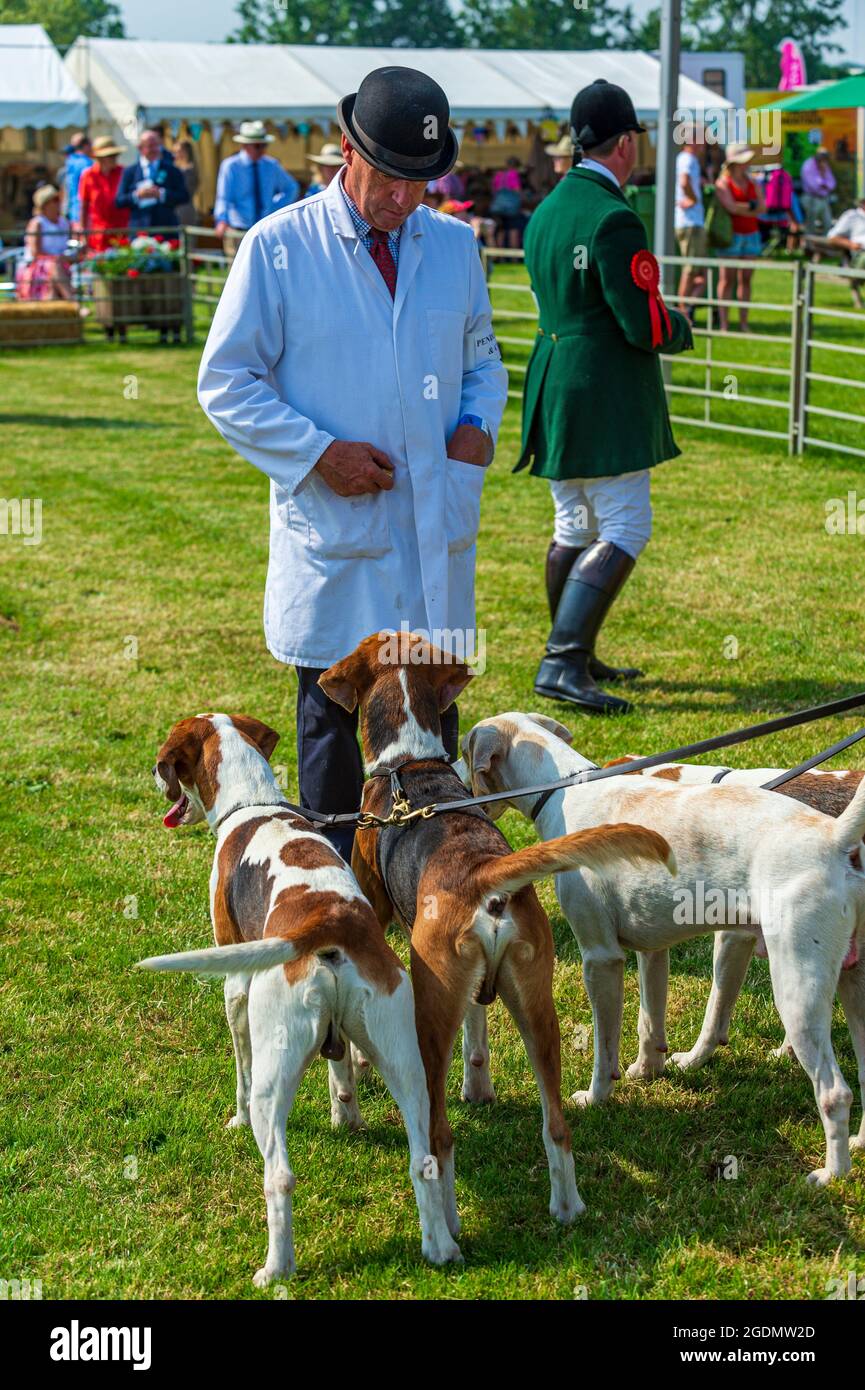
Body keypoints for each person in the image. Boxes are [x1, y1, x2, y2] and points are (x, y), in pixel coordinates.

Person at [197, 67, 508, 858]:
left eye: (421, 182)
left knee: (430, 710)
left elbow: (483, 358)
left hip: (430, 520)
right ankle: (335, 884)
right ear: (344, 150)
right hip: (338, 530)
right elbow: (225, 382)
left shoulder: (453, 246)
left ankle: (432, 875)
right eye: (390, 179)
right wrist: (316, 453)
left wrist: (475, 427)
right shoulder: (279, 248)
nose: (404, 199)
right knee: (336, 719)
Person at [517, 79, 693, 715]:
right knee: (625, 524)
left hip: (555, 381)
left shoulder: (548, 208)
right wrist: (682, 326)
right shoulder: (613, 217)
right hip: (602, 390)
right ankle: (563, 661)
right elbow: (640, 322)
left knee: (574, 523)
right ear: (624, 144)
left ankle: (576, 652)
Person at [213, 120, 300, 249]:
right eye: (257, 146)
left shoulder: (271, 165)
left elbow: (291, 188)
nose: (262, 150)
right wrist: (222, 220)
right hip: (238, 230)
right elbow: (224, 197)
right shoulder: (231, 166)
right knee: (237, 268)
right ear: (244, 146)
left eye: (264, 145)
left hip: (265, 229)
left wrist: (275, 208)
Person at [714, 143, 764, 333]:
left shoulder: (752, 182)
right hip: (731, 236)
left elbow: (763, 207)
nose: (746, 164)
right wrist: (751, 207)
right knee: (727, 279)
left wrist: (744, 207)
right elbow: (731, 207)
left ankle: (744, 323)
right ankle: (724, 324)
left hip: (751, 234)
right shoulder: (723, 182)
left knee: (746, 278)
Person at [116, 129, 188, 231]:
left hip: (166, 229)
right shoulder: (130, 172)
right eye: (150, 146)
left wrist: (161, 194)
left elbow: (184, 196)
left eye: (157, 145)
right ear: (140, 148)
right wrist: (138, 195)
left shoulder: (172, 170)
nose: (155, 149)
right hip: (139, 229)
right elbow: (119, 201)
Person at [16, 185, 75, 301]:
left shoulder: (64, 223)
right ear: (45, 205)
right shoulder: (37, 223)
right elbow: (35, 253)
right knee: (54, 267)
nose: (59, 203)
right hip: (37, 267)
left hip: (60, 265)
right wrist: (56, 258)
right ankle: (73, 303)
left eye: (58, 199)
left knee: (57, 270)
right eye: (55, 200)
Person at [674, 129, 706, 321]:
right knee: (691, 269)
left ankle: (686, 308)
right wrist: (693, 198)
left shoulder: (686, 159)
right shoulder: (688, 159)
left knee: (700, 272)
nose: (704, 142)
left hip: (692, 221)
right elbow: (684, 181)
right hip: (690, 222)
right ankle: (682, 312)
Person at [76, 136, 129, 251]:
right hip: (99, 234)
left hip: (123, 231)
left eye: (115, 155)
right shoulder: (88, 175)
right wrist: (83, 234)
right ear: (100, 158)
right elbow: (84, 207)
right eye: (110, 156)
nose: (114, 158)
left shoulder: (123, 172)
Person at [490, 156, 527, 248]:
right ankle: (513, 259)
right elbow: (517, 190)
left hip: (498, 208)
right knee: (513, 231)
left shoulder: (499, 175)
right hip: (511, 209)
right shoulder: (513, 174)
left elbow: (494, 190)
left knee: (500, 231)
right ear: (516, 166)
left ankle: (499, 257)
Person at [800, 146, 836, 235]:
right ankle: (809, 246)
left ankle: (824, 244)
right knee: (810, 225)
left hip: (823, 199)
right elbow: (814, 186)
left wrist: (824, 182)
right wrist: (824, 184)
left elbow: (832, 184)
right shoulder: (808, 165)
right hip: (811, 198)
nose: (824, 159)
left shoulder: (824, 165)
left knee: (827, 223)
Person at [60, 132, 92, 223]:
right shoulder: (87, 164)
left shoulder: (70, 161)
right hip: (84, 212)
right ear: (86, 146)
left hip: (71, 211)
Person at [171, 139, 199, 224]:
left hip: (184, 210)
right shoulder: (175, 168)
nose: (176, 154)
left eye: (179, 151)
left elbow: (185, 192)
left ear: (186, 152)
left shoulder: (190, 170)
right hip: (176, 210)